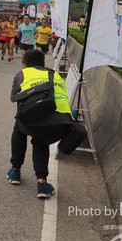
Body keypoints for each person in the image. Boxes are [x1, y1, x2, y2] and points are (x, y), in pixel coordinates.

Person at [7, 50, 74, 199]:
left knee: (19, 127)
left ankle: (15, 171)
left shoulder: (22, 74)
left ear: (24, 65)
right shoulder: (55, 74)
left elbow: (13, 98)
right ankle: (42, 183)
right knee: (41, 140)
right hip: (62, 123)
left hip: (36, 122)